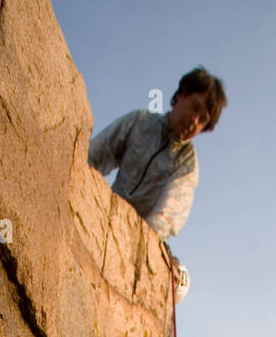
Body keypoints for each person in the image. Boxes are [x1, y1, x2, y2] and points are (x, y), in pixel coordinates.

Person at [87, 67, 227, 242]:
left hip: (134, 241)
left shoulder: (187, 165)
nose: (194, 120)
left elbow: (167, 217)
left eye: (203, 120)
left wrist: (137, 245)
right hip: (102, 215)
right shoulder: (139, 122)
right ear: (180, 95)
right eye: (194, 107)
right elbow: (93, 155)